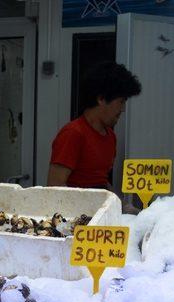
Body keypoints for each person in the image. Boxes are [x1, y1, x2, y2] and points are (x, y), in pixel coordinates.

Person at [47, 61, 141, 210]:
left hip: (99, 218)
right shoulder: (73, 134)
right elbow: (54, 186)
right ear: (101, 99)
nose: (123, 109)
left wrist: (123, 206)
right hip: (75, 219)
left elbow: (100, 181)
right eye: (121, 102)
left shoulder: (111, 136)